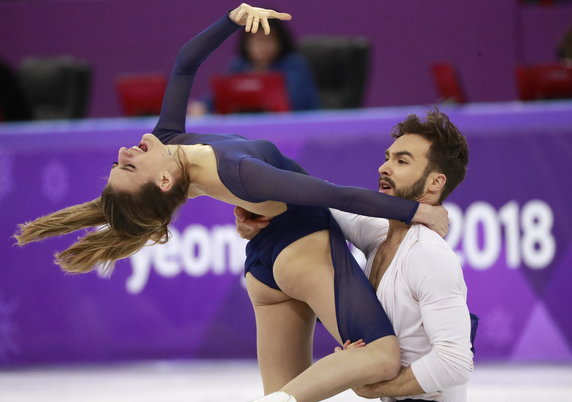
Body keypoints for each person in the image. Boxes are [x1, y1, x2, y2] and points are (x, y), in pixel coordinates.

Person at [14, 5, 448, 402]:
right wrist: (416, 210)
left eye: (117, 161)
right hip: (302, 248)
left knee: (291, 390)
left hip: (263, 270)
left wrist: (231, 19)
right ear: (163, 180)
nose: (125, 153)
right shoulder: (239, 172)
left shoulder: (169, 145)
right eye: (128, 168)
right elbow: (332, 195)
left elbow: (185, 63)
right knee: (383, 356)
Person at [236, 109, 475, 401]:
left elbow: (455, 362)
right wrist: (258, 214)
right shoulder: (378, 234)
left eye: (401, 161)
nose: (384, 168)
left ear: (435, 183)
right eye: (387, 157)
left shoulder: (429, 255)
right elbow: (319, 196)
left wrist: (372, 386)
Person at [188, 14, 320, 115]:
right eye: (257, 41)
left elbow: (294, 103)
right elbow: (221, 96)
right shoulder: (240, 66)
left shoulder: (294, 64)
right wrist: (202, 107)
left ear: (280, 42)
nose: (263, 47)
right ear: (246, 44)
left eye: (268, 40)